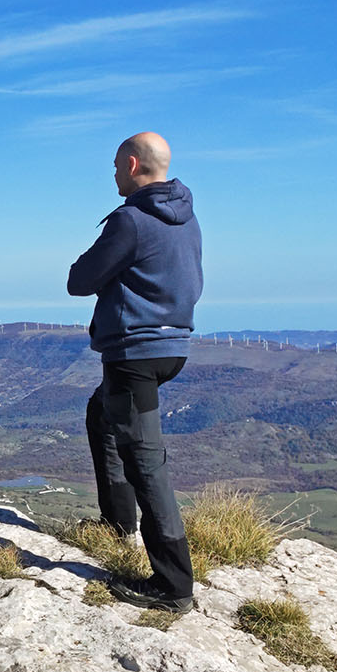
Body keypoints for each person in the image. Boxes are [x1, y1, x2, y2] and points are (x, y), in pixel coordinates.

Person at [66, 131, 203, 612]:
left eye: (114, 167)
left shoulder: (131, 220)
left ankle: (174, 586)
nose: (112, 175)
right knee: (102, 415)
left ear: (130, 164)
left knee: (145, 460)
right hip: (172, 347)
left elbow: (79, 281)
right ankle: (118, 524)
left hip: (134, 354)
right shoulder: (186, 217)